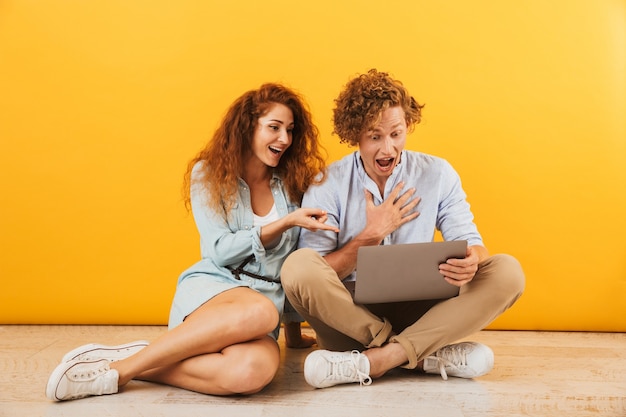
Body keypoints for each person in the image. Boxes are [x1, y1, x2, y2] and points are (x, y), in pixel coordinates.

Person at [45, 83, 337, 401]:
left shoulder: (291, 183)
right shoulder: (209, 175)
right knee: (264, 312)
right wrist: (283, 223)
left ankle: (149, 358)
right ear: (247, 128)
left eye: (290, 130)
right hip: (216, 290)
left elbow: (291, 263)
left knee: (252, 374)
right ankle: (117, 371)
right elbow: (219, 251)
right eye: (274, 127)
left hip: (262, 308)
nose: (284, 139)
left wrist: (292, 334)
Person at [280, 69, 526, 389]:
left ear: (408, 125)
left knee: (508, 271)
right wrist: (371, 235)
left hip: (420, 311)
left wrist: (472, 260)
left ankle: (379, 359)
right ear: (355, 134)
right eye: (375, 137)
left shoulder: (437, 173)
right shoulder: (328, 183)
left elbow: (473, 243)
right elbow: (315, 272)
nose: (387, 149)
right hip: (349, 319)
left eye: (396, 134)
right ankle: (419, 355)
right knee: (296, 266)